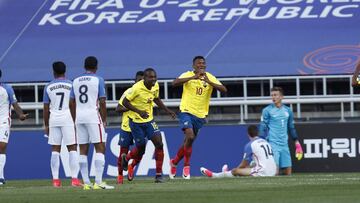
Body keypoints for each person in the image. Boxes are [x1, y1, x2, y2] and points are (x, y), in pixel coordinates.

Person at [169, 56, 227, 179]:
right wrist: (192, 78)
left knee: (188, 141)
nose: (202, 65)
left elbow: (224, 90)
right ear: (193, 66)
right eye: (199, 63)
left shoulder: (209, 77)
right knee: (189, 136)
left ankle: (174, 162)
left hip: (200, 115)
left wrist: (209, 82)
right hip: (186, 111)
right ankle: (186, 167)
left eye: (203, 63)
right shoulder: (188, 74)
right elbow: (174, 83)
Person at [121, 68, 176, 183]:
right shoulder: (136, 88)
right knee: (141, 148)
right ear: (144, 78)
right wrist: (139, 111)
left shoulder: (155, 86)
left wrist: (167, 110)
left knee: (159, 144)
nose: (153, 79)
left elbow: (156, 98)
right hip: (136, 123)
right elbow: (125, 102)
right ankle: (126, 158)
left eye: (154, 77)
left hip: (149, 121)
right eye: (150, 77)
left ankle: (158, 175)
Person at [70, 56, 114, 190]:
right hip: (93, 116)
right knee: (100, 147)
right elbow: (102, 101)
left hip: (79, 117)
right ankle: (99, 182)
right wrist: (104, 119)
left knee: (82, 150)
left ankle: (87, 183)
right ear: (96, 66)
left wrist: (74, 117)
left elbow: (71, 101)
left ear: (84, 66)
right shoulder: (98, 79)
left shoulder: (75, 81)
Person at [43, 61, 81, 187]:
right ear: (65, 71)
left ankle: (55, 180)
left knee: (55, 150)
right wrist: (76, 121)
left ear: (53, 72)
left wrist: (46, 125)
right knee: (72, 148)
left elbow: (45, 108)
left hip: (54, 118)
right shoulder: (72, 85)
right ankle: (74, 179)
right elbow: (74, 104)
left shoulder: (48, 87)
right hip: (68, 118)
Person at [200, 125, 277, 178]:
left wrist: (236, 170)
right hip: (274, 170)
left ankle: (214, 175)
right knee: (251, 165)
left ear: (248, 134)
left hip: (263, 172)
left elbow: (243, 165)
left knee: (236, 171)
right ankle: (226, 173)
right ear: (257, 133)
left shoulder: (250, 145)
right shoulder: (266, 142)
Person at [259, 86, 303, 175]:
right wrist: (260, 139)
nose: (273, 97)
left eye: (275, 95)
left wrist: (296, 142)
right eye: (272, 95)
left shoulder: (288, 110)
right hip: (273, 144)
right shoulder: (267, 110)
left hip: (284, 144)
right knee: (275, 171)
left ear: (281, 97)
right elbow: (263, 126)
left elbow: (291, 127)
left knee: (288, 172)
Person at [0, 69, 28, 185]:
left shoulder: (7, 88)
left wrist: (20, 114)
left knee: (1, 147)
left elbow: (14, 103)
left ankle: (0, 177)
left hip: (3, 122)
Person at [115, 71, 144, 184]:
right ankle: (120, 177)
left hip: (141, 125)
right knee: (123, 152)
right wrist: (132, 107)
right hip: (127, 126)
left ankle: (132, 165)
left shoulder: (146, 93)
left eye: (142, 81)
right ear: (134, 82)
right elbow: (118, 108)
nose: (140, 83)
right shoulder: (129, 92)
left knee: (141, 150)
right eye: (138, 81)